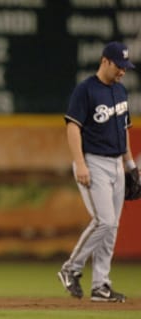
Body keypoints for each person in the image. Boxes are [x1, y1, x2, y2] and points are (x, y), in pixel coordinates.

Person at [57, 41, 136, 303]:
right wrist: (80, 163)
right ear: (105, 61)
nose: (123, 71)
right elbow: (72, 127)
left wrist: (130, 166)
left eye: (126, 67)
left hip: (116, 163)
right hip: (93, 162)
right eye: (119, 66)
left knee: (111, 228)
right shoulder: (86, 90)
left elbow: (123, 130)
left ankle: (101, 285)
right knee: (105, 221)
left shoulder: (121, 91)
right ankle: (71, 268)